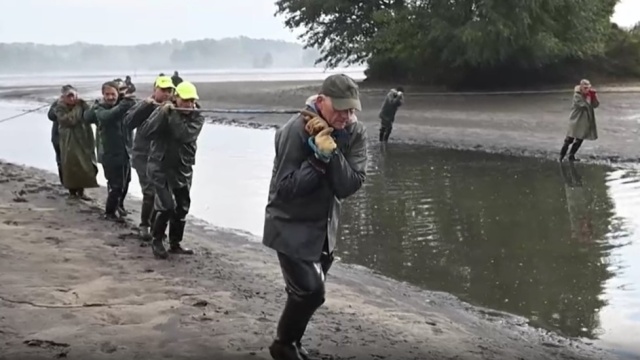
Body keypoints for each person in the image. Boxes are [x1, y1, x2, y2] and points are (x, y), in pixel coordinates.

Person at [262, 74, 367, 360]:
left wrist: (331, 154)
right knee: (311, 292)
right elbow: (284, 190)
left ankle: (291, 342)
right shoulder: (294, 131)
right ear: (321, 101)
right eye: (340, 109)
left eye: (351, 109)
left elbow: (349, 185)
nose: (347, 116)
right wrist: (317, 159)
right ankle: (282, 345)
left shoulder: (355, 133)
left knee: (304, 295)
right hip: (289, 224)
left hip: (324, 228)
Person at [138, 81, 204, 259]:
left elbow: (183, 135)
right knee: (167, 206)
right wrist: (161, 114)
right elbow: (145, 132)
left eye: (192, 101)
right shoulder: (164, 111)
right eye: (185, 101)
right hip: (160, 167)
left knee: (182, 207)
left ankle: (175, 243)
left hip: (183, 167)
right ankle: (157, 240)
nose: (189, 105)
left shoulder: (198, 117)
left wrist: (172, 115)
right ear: (176, 98)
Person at [124, 76, 175, 240]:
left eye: (170, 90)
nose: (167, 94)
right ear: (155, 90)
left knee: (164, 194)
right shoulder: (146, 105)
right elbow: (128, 123)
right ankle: (144, 225)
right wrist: (146, 106)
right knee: (150, 191)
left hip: (162, 157)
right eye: (163, 90)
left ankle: (156, 225)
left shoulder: (174, 107)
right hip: (143, 155)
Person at [84, 81, 137, 220]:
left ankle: (119, 205)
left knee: (126, 182)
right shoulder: (100, 109)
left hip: (125, 152)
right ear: (103, 94)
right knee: (115, 185)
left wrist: (129, 101)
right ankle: (109, 212)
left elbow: (136, 111)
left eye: (113, 94)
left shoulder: (123, 106)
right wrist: (123, 104)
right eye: (107, 94)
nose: (110, 97)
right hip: (109, 153)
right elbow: (105, 117)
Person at [54, 85, 99, 199]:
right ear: (63, 97)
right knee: (70, 165)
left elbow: (91, 115)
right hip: (68, 141)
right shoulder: (60, 108)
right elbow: (69, 120)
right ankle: (72, 191)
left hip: (83, 139)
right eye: (68, 96)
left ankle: (81, 190)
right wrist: (78, 107)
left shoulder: (82, 106)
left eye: (73, 96)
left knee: (85, 164)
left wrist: (87, 105)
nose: (71, 99)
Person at [560, 79, 599, 162]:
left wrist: (594, 97)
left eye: (588, 87)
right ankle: (561, 157)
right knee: (569, 139)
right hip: (576, 120)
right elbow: (584, 105)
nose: (587, 89)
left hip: (585, 120)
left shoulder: (588, 95)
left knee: (580, 138)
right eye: (585, 88)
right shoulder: (577, 95)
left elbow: (595, 105)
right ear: (581, 87)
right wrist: (589, 97)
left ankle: (571, 155)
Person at [47, 98, 63, 185]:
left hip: (73, 139)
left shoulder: (77, 104)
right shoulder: (57, 103)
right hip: (57, 137)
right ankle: (65, 183)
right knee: (61, 161)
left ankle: (79, 189)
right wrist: (58, 105)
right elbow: (50, 116)